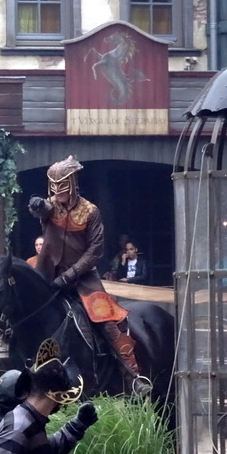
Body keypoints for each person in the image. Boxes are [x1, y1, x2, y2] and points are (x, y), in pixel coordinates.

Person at [28, 155, 150, 395]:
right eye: (53, 185)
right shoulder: (51, 207)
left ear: (72, 182)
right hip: (47, 276)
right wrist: (35, 204)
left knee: (106, 321)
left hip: (83, 279)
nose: (58, 190)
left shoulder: (90, 211)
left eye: (62, 184)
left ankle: (133, 374)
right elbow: (42, 209)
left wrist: (70, 274)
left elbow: (95, 251)